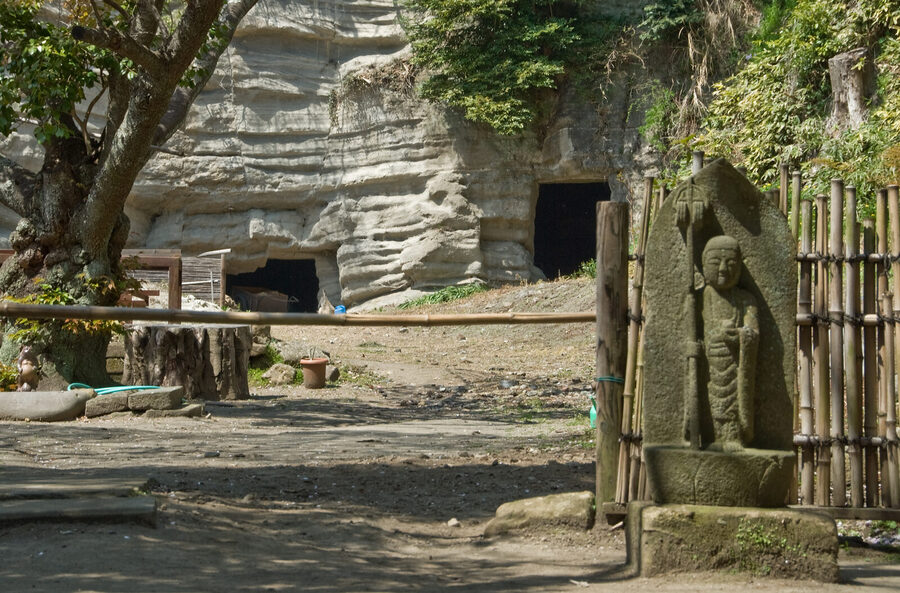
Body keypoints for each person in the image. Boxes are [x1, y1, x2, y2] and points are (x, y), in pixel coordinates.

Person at [701, 235, 758, 449]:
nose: (724, 269)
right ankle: (711, 435)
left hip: (735, 365)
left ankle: (733, 436)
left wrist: (742, 335)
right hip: (709, 365)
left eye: (731, 263)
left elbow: (752, 331)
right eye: (716, 263)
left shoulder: (745, 300)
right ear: (705, 264)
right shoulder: (701, 297)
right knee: (710, 398)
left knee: (733, 401)